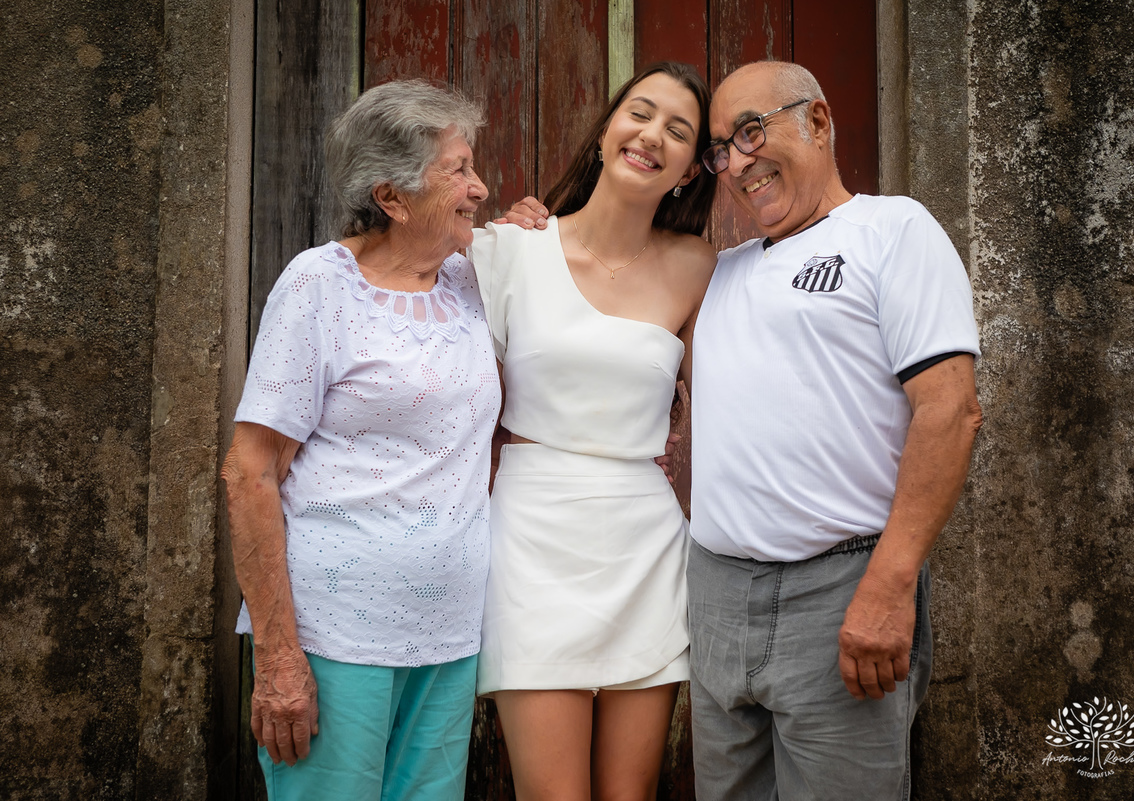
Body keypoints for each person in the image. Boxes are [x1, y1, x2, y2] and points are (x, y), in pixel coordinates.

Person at [504, 59, 983, 800]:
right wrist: (525, 236)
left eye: (752, 130)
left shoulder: (892, 231)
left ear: (818, 121)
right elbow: (597, 348)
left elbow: (951, 410)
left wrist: (891, 583)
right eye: (724, 148)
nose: (739, 162)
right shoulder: (714, 272)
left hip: (840, 590)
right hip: (716, 599)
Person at [221, 79, 498, 801]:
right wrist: (280, 657)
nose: (481, 186)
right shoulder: (320, 285)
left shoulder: (472, 282)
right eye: (459, 169)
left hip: (448, 635)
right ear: (392, 198)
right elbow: (249, 471)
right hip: (333, 637)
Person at [469, 61, 718, 800]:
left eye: (679, 130)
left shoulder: (701, 267)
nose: (652, 136)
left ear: (688, 169)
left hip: (644, 542)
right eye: (639, 114)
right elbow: (456, 405)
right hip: (532, 537)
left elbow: (731, 400)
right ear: (608, 129)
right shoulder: (509, 250)